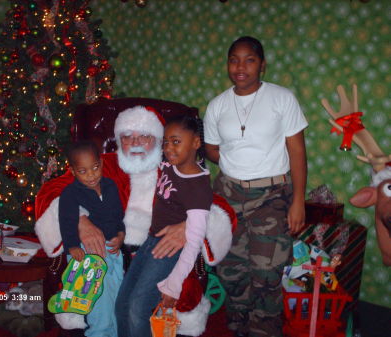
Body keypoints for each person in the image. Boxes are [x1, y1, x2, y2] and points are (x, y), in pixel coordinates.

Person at [35, 105, 234, 335]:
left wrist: (188, 226)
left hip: (159, 250)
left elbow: (214, 203)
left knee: (140, 306)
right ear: (118, 140)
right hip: (110, 249)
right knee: (115, 297)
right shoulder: (101, 165)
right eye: (128, 137)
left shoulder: (173, 165)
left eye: (145, 136)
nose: (136, 142)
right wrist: (81, 220)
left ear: (159, 140)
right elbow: (52, 191)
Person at [203, 36, 308, 337]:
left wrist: (298, 200)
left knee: (266, 273)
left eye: (249, 59)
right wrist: (236, 158)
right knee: (231, 271)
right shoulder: (218, 105)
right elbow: (211, 149)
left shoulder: (282, 98)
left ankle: (265, 331)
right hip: (228, 194)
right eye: (234, 59)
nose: (240, 66)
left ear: (262, 65)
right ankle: (238, 327)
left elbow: (297, 151)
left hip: (272, 196)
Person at [115, 115, 213, 337]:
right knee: (122, 303)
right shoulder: (170, 164)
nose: (169, 147)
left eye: (176, 142)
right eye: (166, 142)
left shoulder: (197, 187)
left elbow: (194, 241)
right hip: (151, 241)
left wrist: (174, 285)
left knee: (137, 308)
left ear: (196, 143)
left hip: (169, 250)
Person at [58, 140, 125, 337]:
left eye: (95, 168)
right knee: (98, 298)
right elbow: (67, 221)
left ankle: (115, 332)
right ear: (73, 171)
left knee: (116, 295)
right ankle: (99, 333)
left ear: (101, 164)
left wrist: (121, 235)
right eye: (83, 171)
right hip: (86, 253)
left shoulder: (110, 186)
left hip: (113, 250)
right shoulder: (70, 194)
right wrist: (71, 246)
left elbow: (118, 217)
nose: (91, 175)